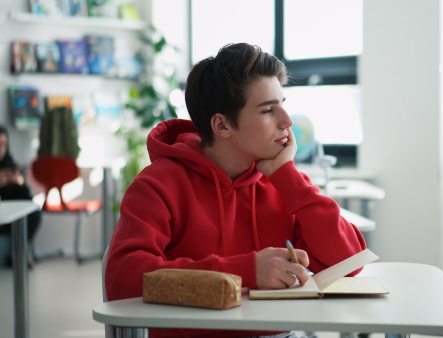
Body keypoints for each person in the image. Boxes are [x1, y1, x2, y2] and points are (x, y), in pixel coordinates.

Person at [105, 43, 367, 338]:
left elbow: (348, 263)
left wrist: (289, 179)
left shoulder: (280, 181)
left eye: (283, 104)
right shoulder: (158, 185)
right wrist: (247, 271)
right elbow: (122, 280)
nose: (287, 121)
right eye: (268, 110)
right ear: (222, 125)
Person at [0, 125, 42, 267]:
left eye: (3, 145)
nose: (1, 149)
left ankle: (18, 254)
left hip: (10, 218)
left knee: (34, 214)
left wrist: (20, 183)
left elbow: (28, 201)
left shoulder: (12, 165)